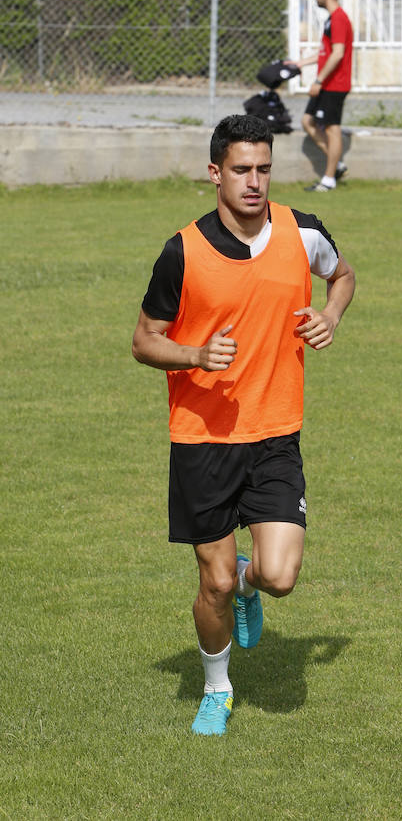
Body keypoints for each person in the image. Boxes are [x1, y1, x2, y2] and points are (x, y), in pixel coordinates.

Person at [131, 114, 355, 736]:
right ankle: (217, 687)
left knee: (277, 576)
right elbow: (144, 342)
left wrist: (331, 315)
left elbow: (342, 275)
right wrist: (196, 355)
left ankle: (253, 591)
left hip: (276, 432)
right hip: (202, 440)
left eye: (263, 169)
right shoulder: (183, 251)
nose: (254, 182)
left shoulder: (302, 231)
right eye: (240, 170)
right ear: (215, 173)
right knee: (217, 580)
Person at [287, 0, 353, 192]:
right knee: (308, 121)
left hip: (334, 85)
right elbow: (326, 52)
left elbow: (338, 54)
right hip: (327, 84)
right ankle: (337, 165)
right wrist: (301, 63)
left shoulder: (339, 19)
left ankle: (328, 180)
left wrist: (318, 80)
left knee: (333, 129)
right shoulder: (331, 19)